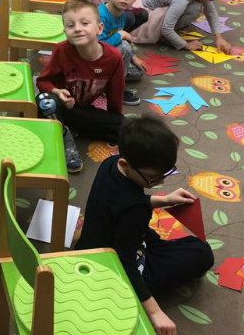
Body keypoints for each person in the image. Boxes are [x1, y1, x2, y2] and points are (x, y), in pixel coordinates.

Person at [76, 114, 214, 335]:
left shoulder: (110, 163)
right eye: (153, 177)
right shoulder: (135, 211)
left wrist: (163, 200)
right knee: (202, 253)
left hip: (96, 242)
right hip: (113, 269)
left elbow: (123, 202)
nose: (161, 181)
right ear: (126, 163)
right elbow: (126, 262)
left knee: (187, 246)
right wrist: (155, 312)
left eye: (165, 174)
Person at [35, 0, 125, 173]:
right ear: (65, 31)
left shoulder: (113, 57)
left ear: (99, 28)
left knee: (127, 128)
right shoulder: (62, 50)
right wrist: (57, 92)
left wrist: (113, 120)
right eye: (71, 25)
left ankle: (69, 128)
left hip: (82, 110)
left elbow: (116, 93)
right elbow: (43, 81)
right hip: (60, 107)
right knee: (44, 101)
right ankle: (64, 138)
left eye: (84, 23)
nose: (77, 29)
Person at [98, 0, 148, 105]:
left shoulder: (122, 14)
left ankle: (107, 81)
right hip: (94, 62)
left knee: (138, 72)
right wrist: (120, 35)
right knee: (125, 46)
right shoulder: (101, 16)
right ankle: (116, 89)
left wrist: (132, 57)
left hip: (108, 59)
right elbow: (97, 47)